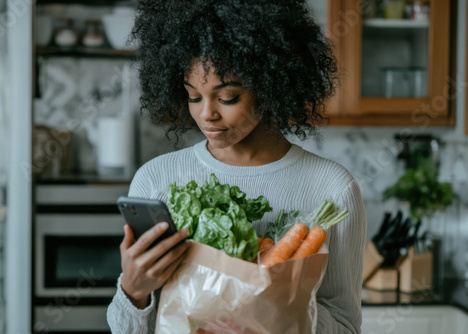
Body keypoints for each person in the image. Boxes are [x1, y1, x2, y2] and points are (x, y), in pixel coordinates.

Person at [107, 0, 367, 333]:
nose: (206, 115)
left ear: (272, 85)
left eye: (227, 97)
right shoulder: (157, 179)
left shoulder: (332, 188)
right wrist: (134, 290)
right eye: (194, 96)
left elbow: (346, 326)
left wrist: (278, 304)